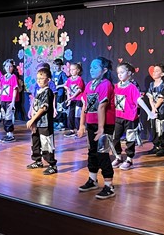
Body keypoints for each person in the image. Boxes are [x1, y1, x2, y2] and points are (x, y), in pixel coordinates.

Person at [77, 57, 116, 199]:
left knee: (102, 154)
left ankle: (109, 186)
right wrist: (82, 125)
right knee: (92, 152)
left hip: (105, 125)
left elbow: (102, 106)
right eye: (91, 67)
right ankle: (92, 180)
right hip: (92, 124)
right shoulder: (89, 85)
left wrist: (101, 128)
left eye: (95, 67)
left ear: (104, 70)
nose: (91, 70)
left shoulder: (106, 84)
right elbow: (85, 106)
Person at [112, 62, 153, 170]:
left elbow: (139, 100)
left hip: (130, 118)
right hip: (118, 117)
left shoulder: (132, 87)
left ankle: (129, 160)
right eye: (118, 73)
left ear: (129, 73)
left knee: (130, 140)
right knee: (115, 138)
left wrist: (149, 112)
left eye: (122, 72)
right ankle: (118, 157)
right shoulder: (115, 87)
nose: (120, 74)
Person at [26, 67, 57, 174]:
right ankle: (37, 160)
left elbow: (43, 107)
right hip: (37, 122)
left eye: (41, 78)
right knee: (35, 141)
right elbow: (35, 106)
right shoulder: (39, 91)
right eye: (37, 78)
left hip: (45, 123)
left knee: (46, 143)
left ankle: (52, 165)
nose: (39, 80)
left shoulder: (48, 91)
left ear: (48, 80)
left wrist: (32, 120)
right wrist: (33, 120)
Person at [146, 64, 164, 156]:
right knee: (154, 128)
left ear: (162, 74)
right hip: (154, 111)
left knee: (161, 128)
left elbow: (161, 99)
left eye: (157, 71)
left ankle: (162, 147)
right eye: (154, 71)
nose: (154, 72)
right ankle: (156, 146)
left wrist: (155, 108)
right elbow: (150, 97)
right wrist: (153, 108)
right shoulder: (151, 84)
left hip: (162, 110)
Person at [0, 58, 19, 143]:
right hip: (3, 100)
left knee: (9, 117)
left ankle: (11, 134)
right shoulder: (3, 77)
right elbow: (1, 89)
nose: (8, 68)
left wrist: (13, 102)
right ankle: (7, 133)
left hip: (9, 100)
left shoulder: (13, 77)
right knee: (4, 116)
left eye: (10, 66)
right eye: (6, 66)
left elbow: (15, 89)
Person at [64, 62, 85, 138]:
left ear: (78, 70)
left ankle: (79, 130)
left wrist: (72, 96)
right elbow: (68, 89)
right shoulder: (69, 79)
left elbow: (79, 90)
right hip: (72, 100)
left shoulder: (79, 79)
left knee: (77, 115)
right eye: (70, 70)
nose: (71, 71)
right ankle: (72, 130)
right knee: (71, 114)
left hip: (78, 100)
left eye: (73, 69)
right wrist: (69, 98)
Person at [51, 58, 68, 130]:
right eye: (54, 65)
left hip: (60, 93)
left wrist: (59, 86)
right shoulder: (53, 74)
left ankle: (61, 123)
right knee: (54, 107)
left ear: (60, 66)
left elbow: (66, 83)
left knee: (60, 107)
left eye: (57, 65)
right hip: (54, 93)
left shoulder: (62, 74)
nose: (55, 67)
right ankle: (56, 122)